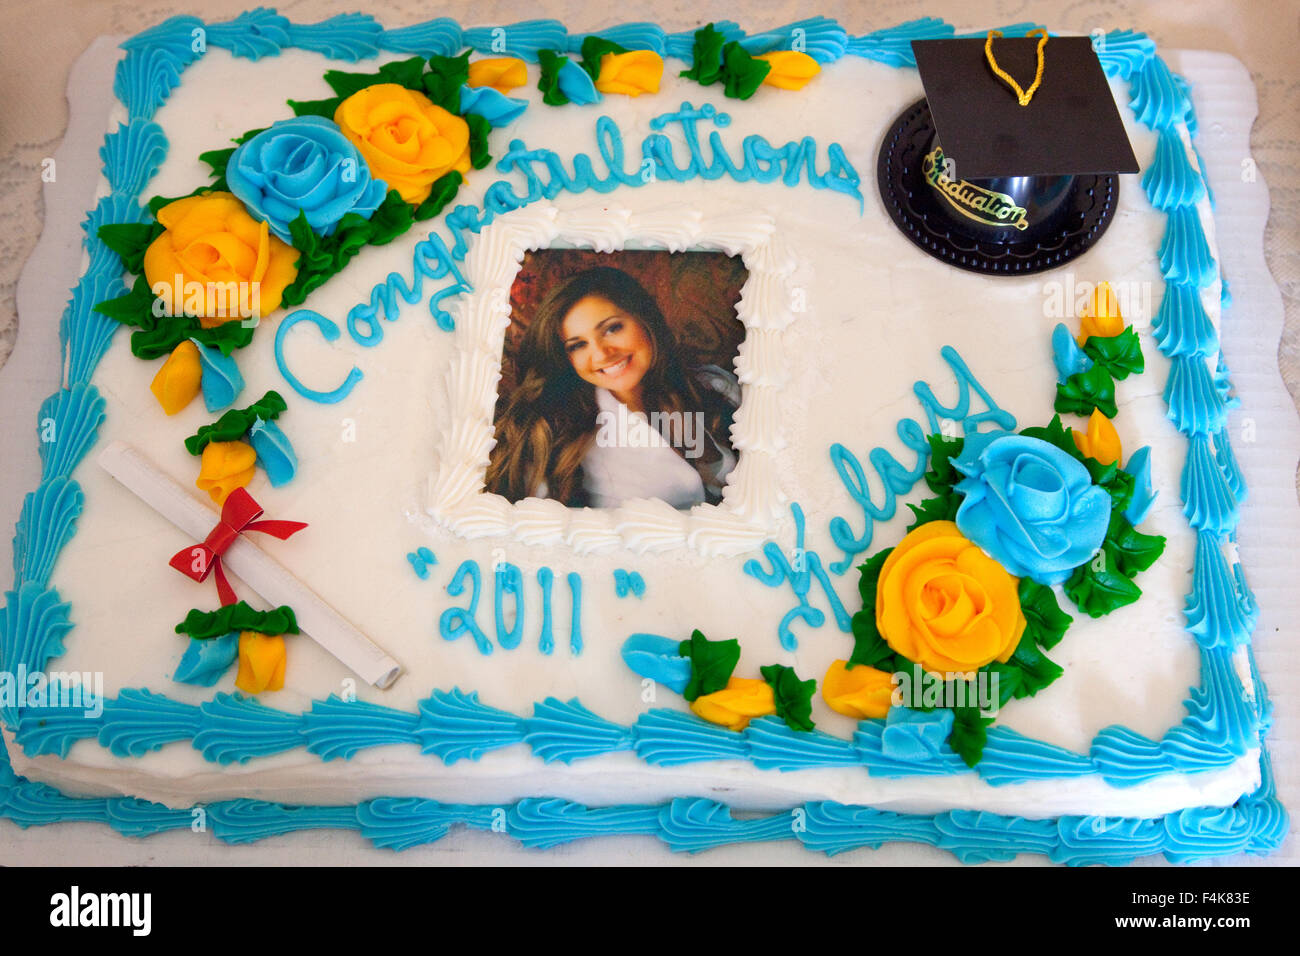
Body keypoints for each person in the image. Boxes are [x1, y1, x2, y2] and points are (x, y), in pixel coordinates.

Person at [486, 266, 740, 509]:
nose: (602, 354)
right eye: (577, 345)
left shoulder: (712, 385)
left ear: (644, 318)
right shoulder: (558, 437)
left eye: (612, 328)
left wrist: (706, 453)